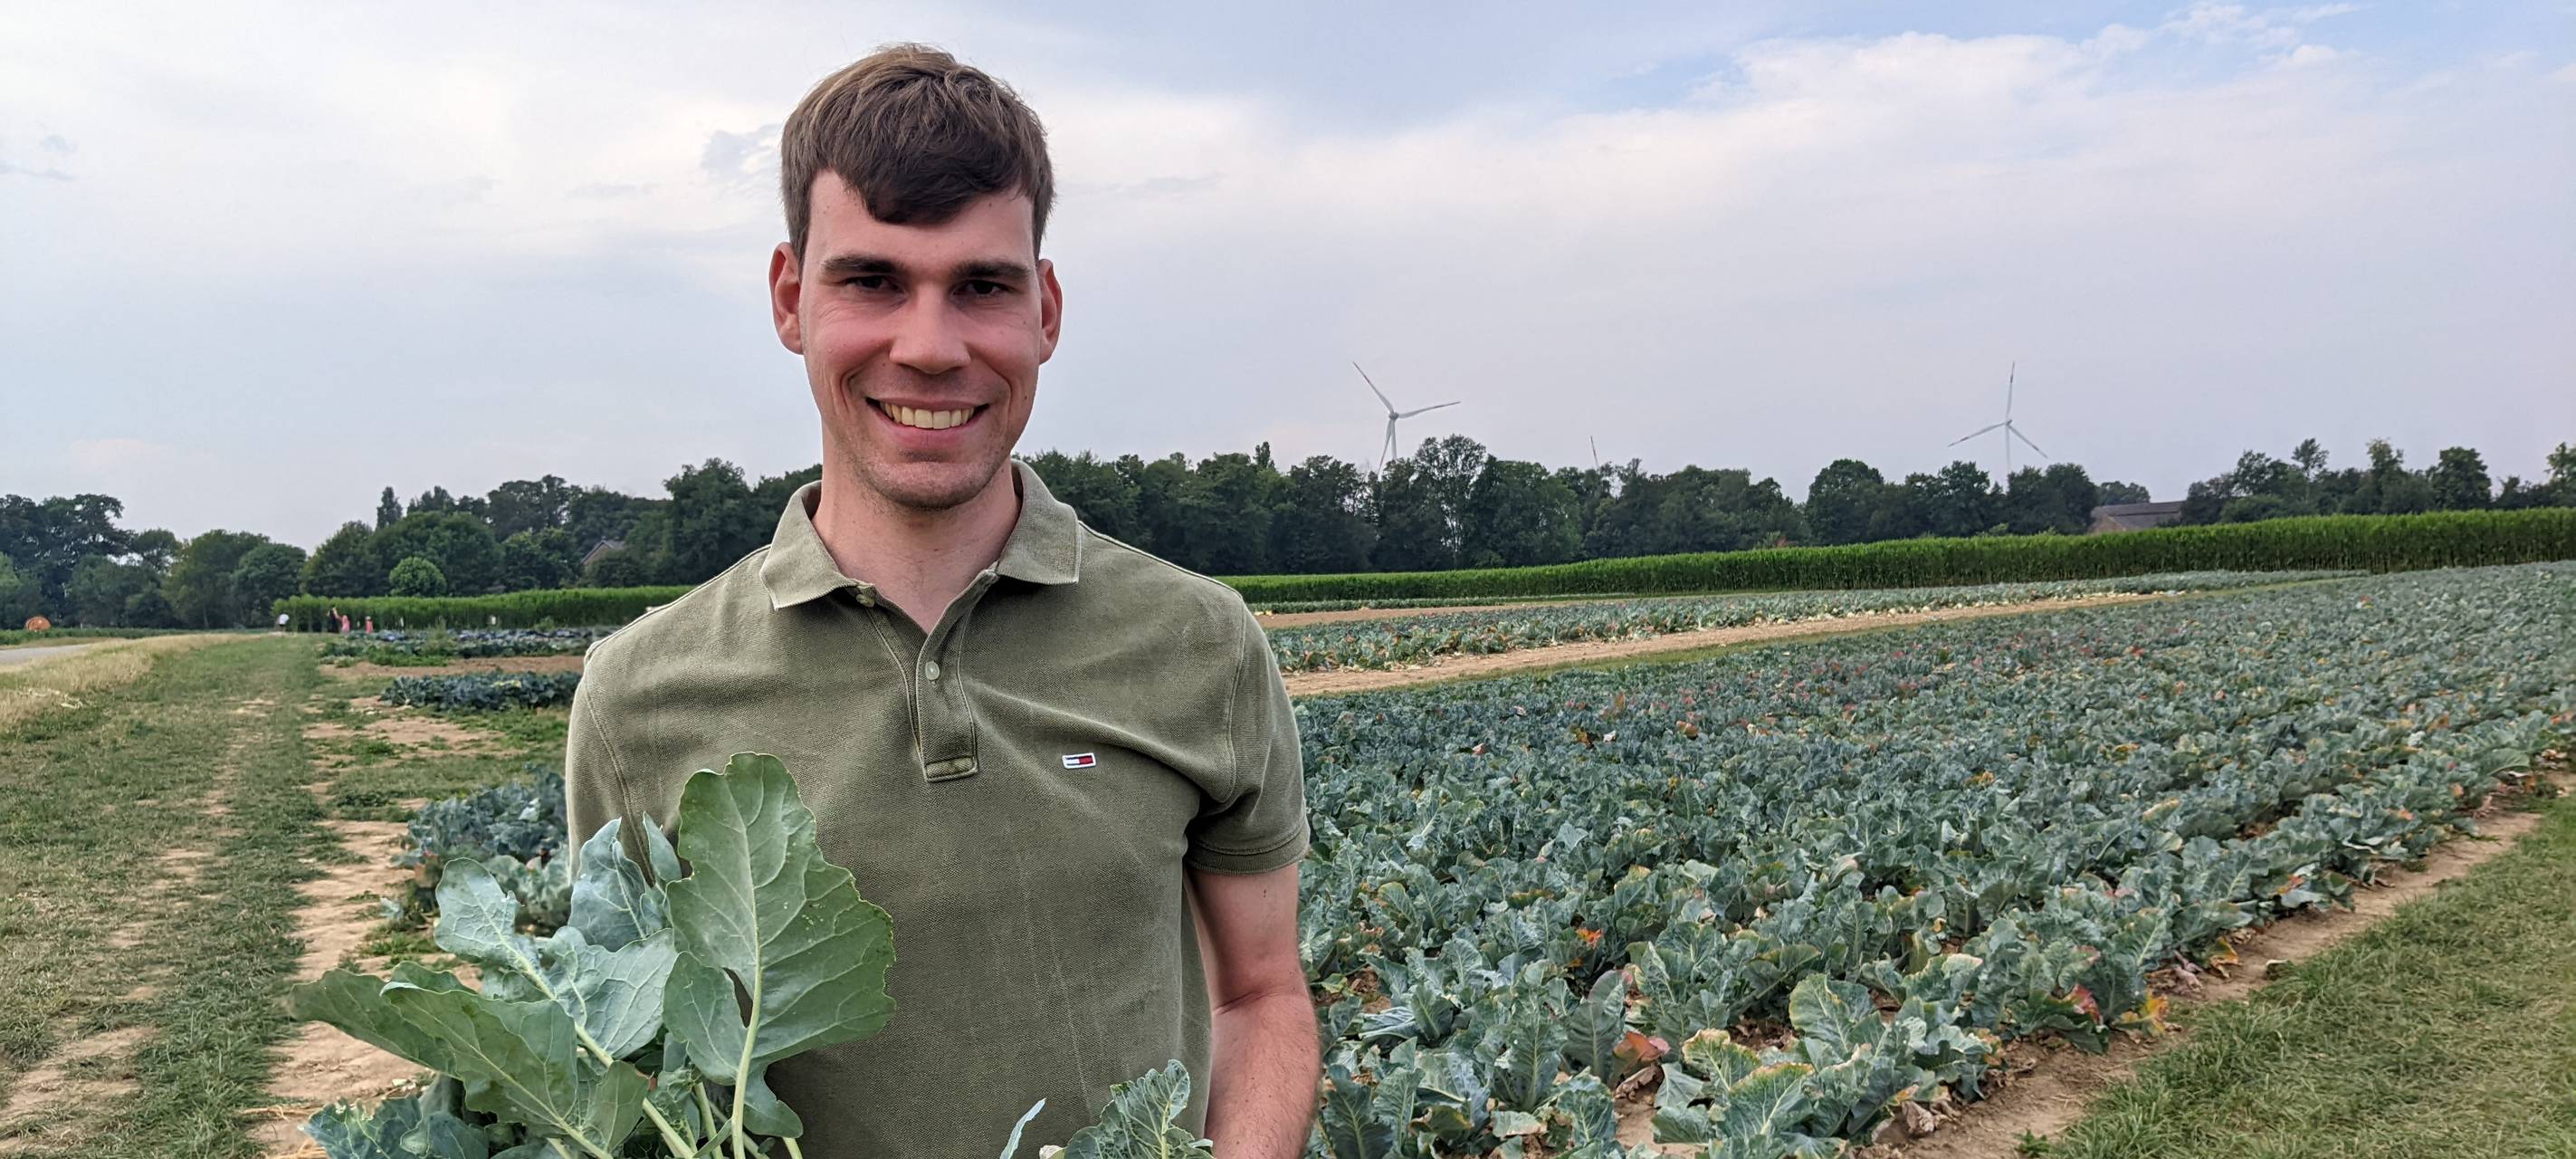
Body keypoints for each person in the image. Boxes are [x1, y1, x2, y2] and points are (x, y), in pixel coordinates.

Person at [564, 45, 1315, 1159]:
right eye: (871, 281)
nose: (929, 346)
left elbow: (1261, 995)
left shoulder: (1200, 641)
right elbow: (635, 1074)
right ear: (790, 298)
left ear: (1044, 310)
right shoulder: (638, 698)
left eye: (982, 285)